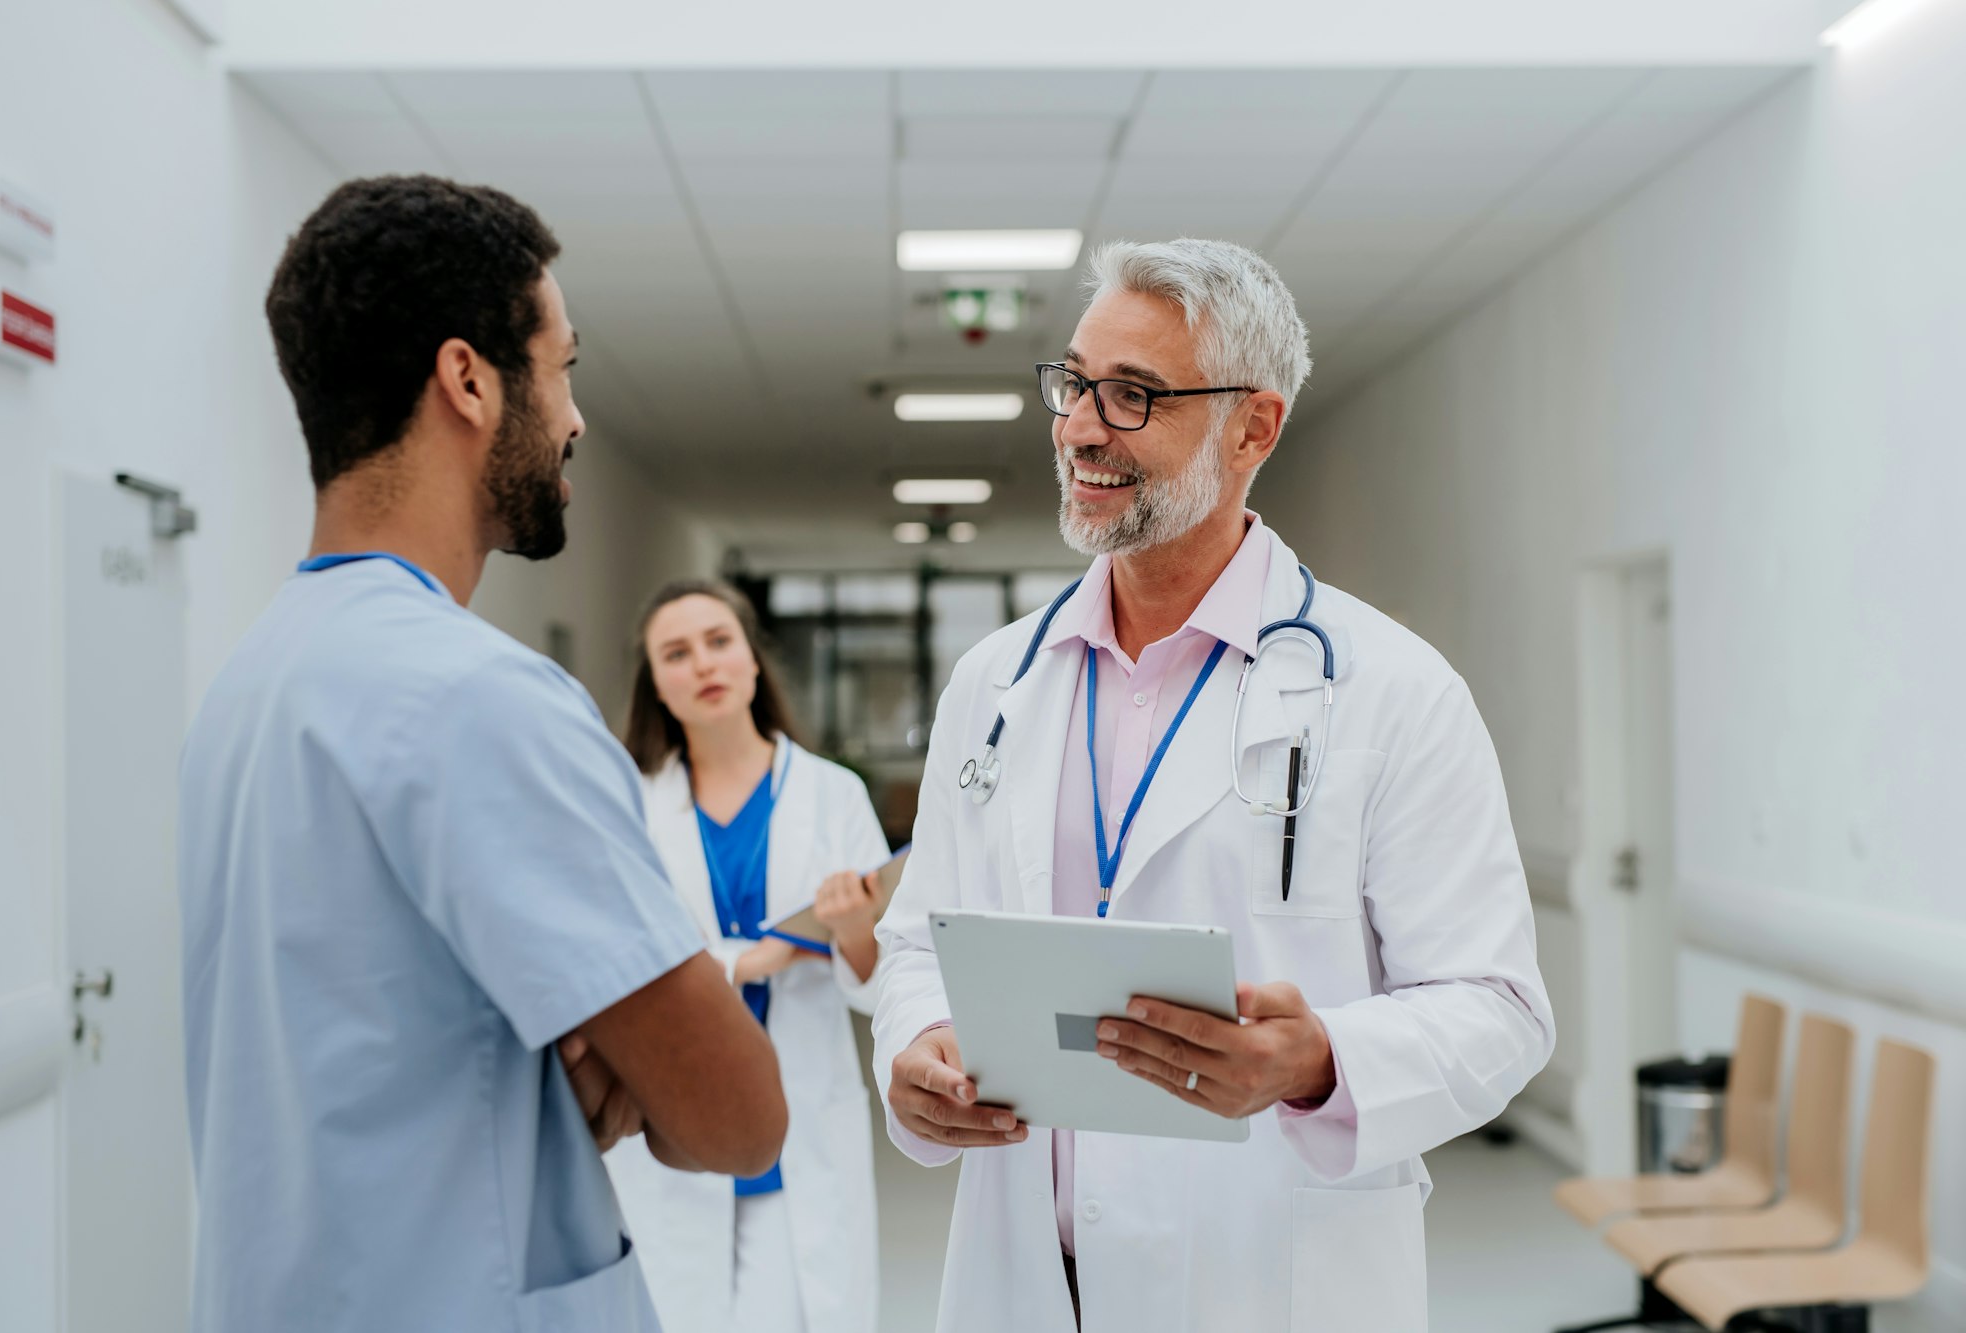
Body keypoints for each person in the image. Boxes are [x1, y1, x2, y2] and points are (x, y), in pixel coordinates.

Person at [873, 238, 1554, 1332]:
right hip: (1026, 1280)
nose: (1082, 427)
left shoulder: (1392, 690)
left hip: (1263, 1277)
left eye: (1134, 395)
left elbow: (1499, 1009)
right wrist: (913, 1045)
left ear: (1252, 428)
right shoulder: (994, 682)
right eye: (1076, 383)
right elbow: (917, 941)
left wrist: (1318, 1060)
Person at [178, 175, 787, 1333]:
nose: (574, 418)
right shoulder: (481, 695)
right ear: (468, 379)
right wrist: (621, 1051)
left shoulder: (245, 689)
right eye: (562, 367)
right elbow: (736, 1116)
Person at [603, 579, 888, 1333]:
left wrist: (855, 929)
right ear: (656, 682)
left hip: (799, 1124)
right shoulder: (626, 805)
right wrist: (752, 962)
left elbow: (882, 977)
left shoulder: (835, 795)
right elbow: (617, 957)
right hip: (675, 1123)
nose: (703, 663)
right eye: (677, 651)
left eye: (719, 641)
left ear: (755, 662)